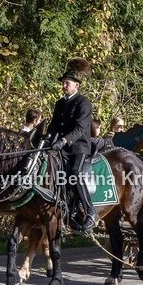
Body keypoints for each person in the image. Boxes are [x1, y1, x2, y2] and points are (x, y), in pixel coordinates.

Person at [47, 57, 95, 236]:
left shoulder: (83, 103)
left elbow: (80, 128)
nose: (64, 85)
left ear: (77, 85)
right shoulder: (60, 103)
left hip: (79, 147)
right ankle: (67, 208)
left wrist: (64, 140)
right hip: (61, 146)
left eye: (68, 83)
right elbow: (53, 126)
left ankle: (90, 212)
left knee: (75, 173)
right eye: (63, 83)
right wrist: (47, 139)